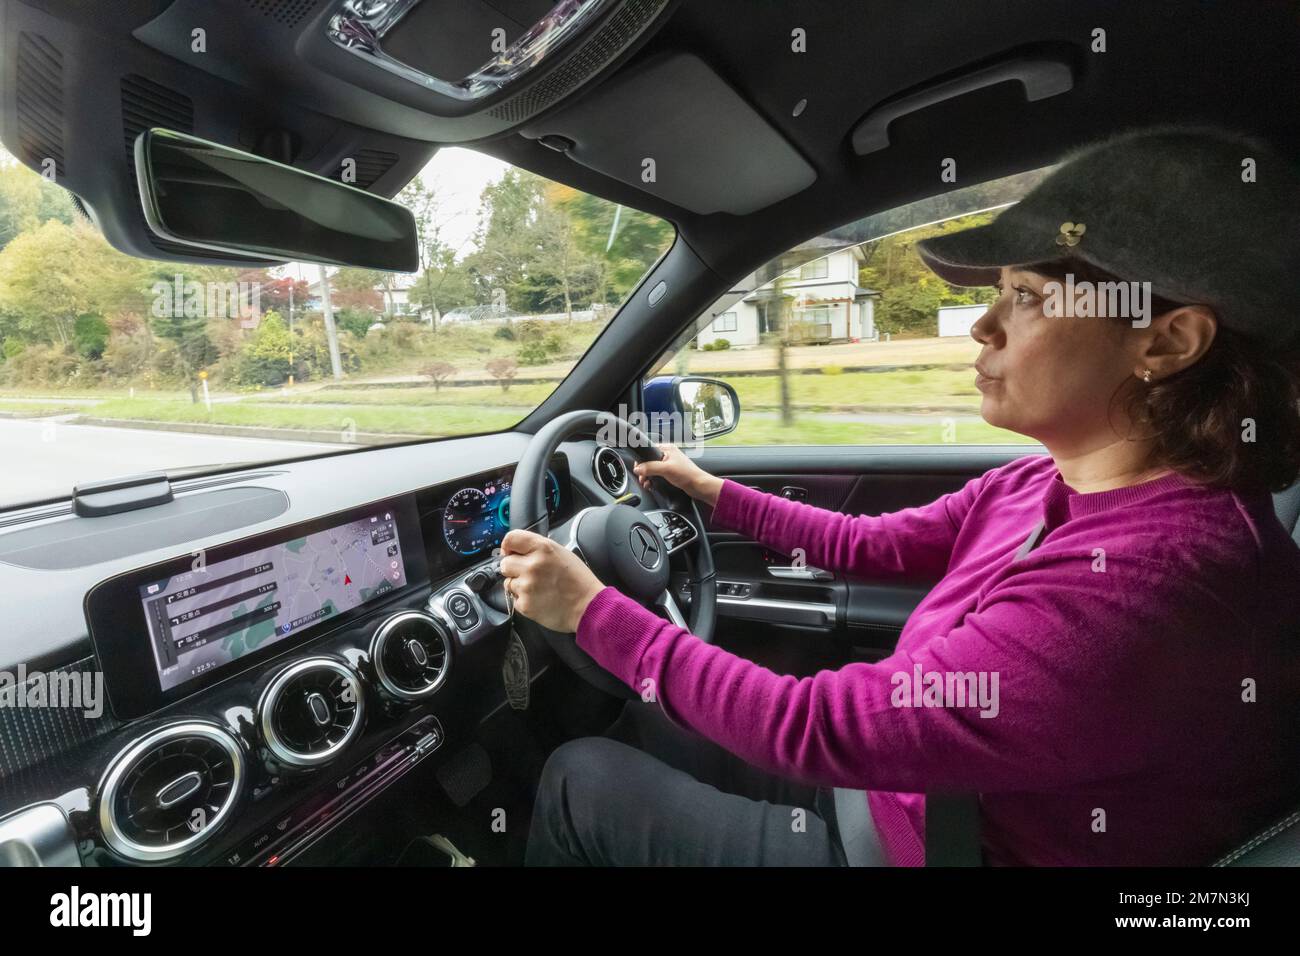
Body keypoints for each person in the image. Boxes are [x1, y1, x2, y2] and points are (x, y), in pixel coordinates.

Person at [499, 126, 1300, 866]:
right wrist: (712, 492)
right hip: (898, 793)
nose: (982, 327)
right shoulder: (1043, 481)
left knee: (579, 777)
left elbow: (811, 727)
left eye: (1024, 296)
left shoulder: (1149, 590)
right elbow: (868, 544)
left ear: (1165, 341)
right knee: (644, 722)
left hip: (927, 849)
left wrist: (591, 613)